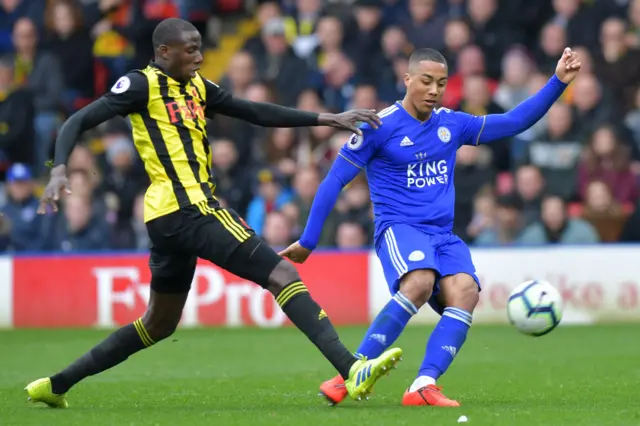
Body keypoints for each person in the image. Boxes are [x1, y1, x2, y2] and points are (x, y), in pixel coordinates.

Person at [25, 18, 403, 409]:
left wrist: (326, 118)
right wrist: (58, 170)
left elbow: (254, 111)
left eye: (200, 47)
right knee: (282, 273)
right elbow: (77, 120)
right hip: (190, 207)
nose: (200, 57)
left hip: (165, 219)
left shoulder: (197, 87)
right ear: (163, 52)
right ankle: (350, 368)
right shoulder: (141, 85)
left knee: (158, 323)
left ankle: (56, 384)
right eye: (190, 50)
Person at [280, 47, 582, 406]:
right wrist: (309, 239)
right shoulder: (379, 126)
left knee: (466, 291)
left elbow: (514, 122)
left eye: (440, 82)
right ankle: (348, 375)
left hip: (443, 235)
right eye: (425, 81)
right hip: (399, 228)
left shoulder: (452, 124)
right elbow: (333, 180)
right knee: (420, 281)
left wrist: (558, 82)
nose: (434, 89)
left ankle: (423, 385)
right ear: (407, 79)